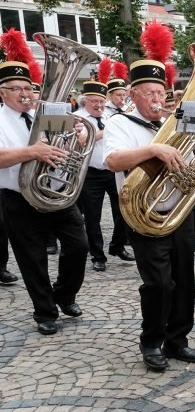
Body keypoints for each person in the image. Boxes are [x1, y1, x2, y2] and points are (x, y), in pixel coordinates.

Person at [104, 23, 195, 370]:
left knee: (184, 279)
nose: (159, 100)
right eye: (150, 94)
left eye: (162, 92)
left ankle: (177, 340)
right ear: (133, 94)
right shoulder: (120, 123)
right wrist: (154, 148)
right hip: (143, 213)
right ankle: (151, 341)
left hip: (179, 211)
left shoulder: (179, 121)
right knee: (159, 283)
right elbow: (113, 160)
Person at [0, 35, 88, 335]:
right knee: (32, 259)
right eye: (16, 89)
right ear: (2, 93)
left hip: (56, 192)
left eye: (28, 88)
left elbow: (66, 148)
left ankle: (63, 294)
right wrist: (31, 152)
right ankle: (44, 311)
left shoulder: (49, 112)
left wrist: (78, 135)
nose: (25, 94)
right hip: (18, 198)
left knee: (79, 246)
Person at [76, 80, 134, 272]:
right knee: (93, 217)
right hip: (90, 174)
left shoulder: (111, 115)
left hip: (113, 171)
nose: (99, 106)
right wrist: (107, 129)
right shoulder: (77, 118)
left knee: (124, 211)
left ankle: (117, 246)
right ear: (85, 102)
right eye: (94, 102)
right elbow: (83, 140)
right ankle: (97, 256)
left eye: (101, 102)